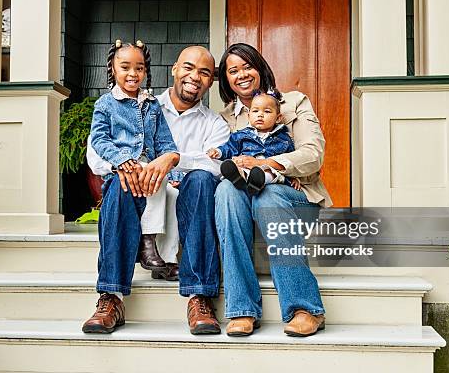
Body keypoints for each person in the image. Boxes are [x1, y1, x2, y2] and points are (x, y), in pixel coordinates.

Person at [86, 45, 230, 335]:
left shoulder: (215, 123)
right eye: (188, 67)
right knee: (120, 181)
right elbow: (95, 155)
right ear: (174, 69)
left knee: (201, 179)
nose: (194, 76)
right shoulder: (141, 104)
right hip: (138, 190)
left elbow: (218, 166)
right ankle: (111, 297)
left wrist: (174, 161)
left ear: (211, 81)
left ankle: (199, 296)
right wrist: (126, 167)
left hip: (189, 197)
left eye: (204, 72)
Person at [215, 43, 333, 337]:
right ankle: (241, 309)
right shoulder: (225, 118)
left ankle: (305, 308)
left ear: (260, 68)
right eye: (233, 70)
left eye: (247, 66)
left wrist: (269, 164)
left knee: (269, 194)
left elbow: (313, 153)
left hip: (295, 198)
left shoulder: (294, 103)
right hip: (244, 204)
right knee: (226, 192)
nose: (241, 74)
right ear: (226, 79)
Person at [82, 39, 180, 334]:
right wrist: (122, 161)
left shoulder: (152, 106)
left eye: (139, 68)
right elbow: (99, 140)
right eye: (125, 67)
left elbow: (166, 144)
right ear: (112, 68)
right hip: (121, 173)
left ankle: (148, 242)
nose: (133, 73)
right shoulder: (105, 104)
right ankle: (110, 295)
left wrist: (164, 163)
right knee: (121, 190)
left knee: (156, 181)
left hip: (149, 172)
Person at [207, 89, 297, 195]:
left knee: (269, 173)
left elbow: (291, 159)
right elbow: (230, 148)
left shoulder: (284, 139)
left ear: (278, 118)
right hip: (247, 168)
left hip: (271, 172)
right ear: (249, 116)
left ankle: (258, 182)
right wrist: (218, 152)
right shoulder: (241, 135)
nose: (260, 115)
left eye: (267, 111)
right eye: (255, 111)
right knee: (241, 168)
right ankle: (240, 178)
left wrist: (294, 177)